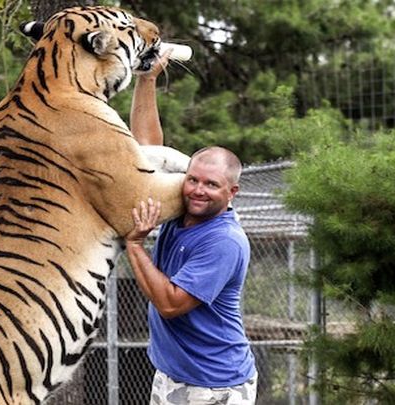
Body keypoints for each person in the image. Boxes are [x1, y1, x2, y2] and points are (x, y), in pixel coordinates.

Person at [125, 50, 258, 405]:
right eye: (193, 179)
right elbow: (149, 150)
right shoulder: (183, 206)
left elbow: (170, 304)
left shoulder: (224, 240)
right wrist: (147, 79)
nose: (199, 190)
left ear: (232, 192)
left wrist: (136, 246)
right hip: (172, 376)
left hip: (215, 386)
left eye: (211, 185)